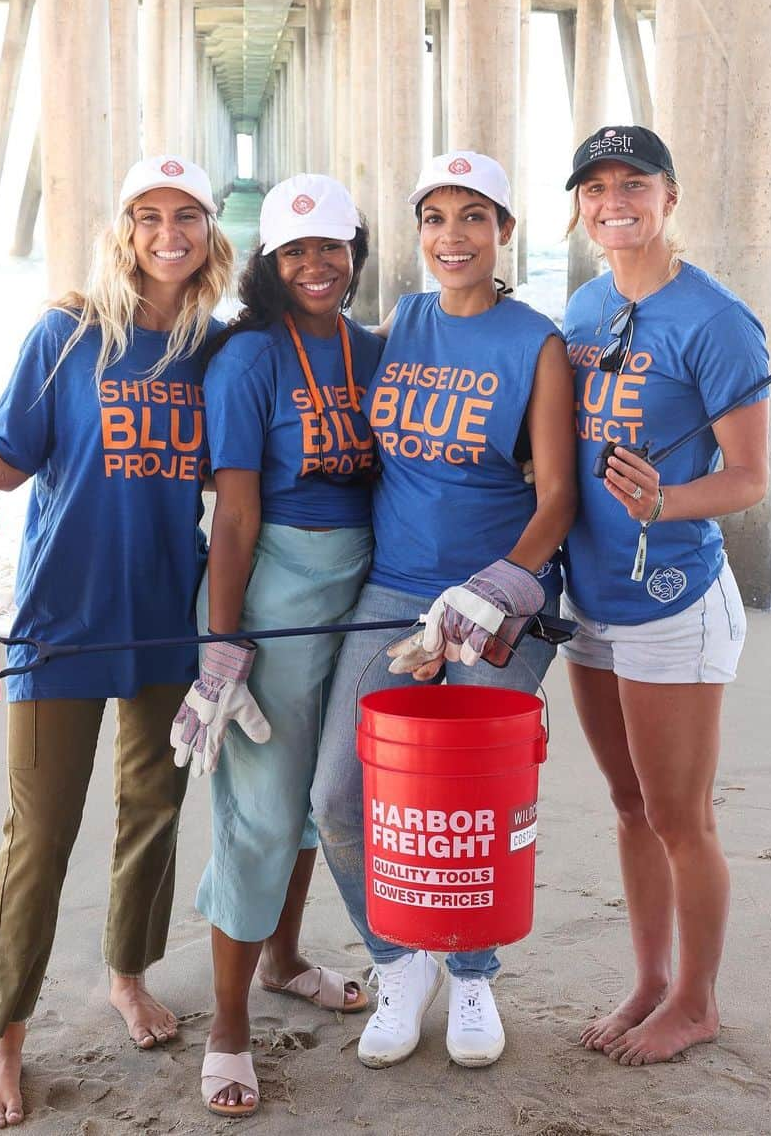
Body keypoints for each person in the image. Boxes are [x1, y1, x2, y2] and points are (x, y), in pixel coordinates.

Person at [0, 155, 233, 1130]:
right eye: (148, 215)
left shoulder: (217, 349)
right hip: (58, 625)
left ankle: (127, 974)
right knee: (39, 833)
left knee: (152, 808)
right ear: (124, 228)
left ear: (208, 231)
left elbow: (247, 489)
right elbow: (2, 464)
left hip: (163, 620)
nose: (167, 232)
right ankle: (6, 1037)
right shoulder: (65, 335)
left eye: (185, 215)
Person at [310, 151, 577, 1071]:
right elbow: (305, 358)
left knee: (465, 803)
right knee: (339, 798)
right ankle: (400, 959)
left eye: (473, 217)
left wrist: (497, 586)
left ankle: (471, 975)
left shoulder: (534, 341)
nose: (452, 236)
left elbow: (558, 498)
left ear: (505, 231)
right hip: (391, 588)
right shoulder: (405, 322)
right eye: (435, 218)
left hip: (498, 599)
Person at [170, 174, 384, 1118]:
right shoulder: (248, 358)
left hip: (370, 582)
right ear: (267, 263)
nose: (315, 266)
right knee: (258, 806)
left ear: (354, 254)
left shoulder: (372, 348)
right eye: (294, 251)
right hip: (277, 584)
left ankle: (286, 958)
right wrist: (224, 643)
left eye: (330, 249)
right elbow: (237, 511)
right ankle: (226, 1026)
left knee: (315, 793)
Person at [559, 124, 769, 1066]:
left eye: (634, 184)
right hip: (590, 600)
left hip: (672, 601)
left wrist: (669, 497)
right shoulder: (583, 308)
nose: (616, 202)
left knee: (681, 816)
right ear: (580, 206)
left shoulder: (718, 320)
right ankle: (648, 977)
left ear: (669, 197)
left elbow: (750, 476)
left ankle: (694, 1000)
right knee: (628, 802)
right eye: (597, 187)